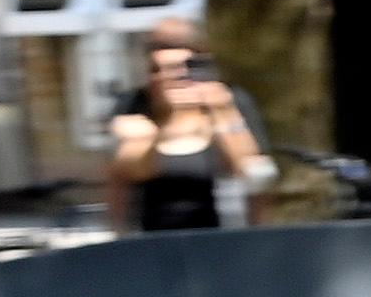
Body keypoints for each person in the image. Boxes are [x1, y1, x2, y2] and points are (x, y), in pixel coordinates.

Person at [108, 35, 267, 234]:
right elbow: (132, 175)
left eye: (183, 68)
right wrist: (151, 137)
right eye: (158, 70)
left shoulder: (226, 113)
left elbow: (254, 175)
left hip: (220, 241)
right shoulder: (136, 116)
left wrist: (223, 112)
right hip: (151, 245)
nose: (173, 77)